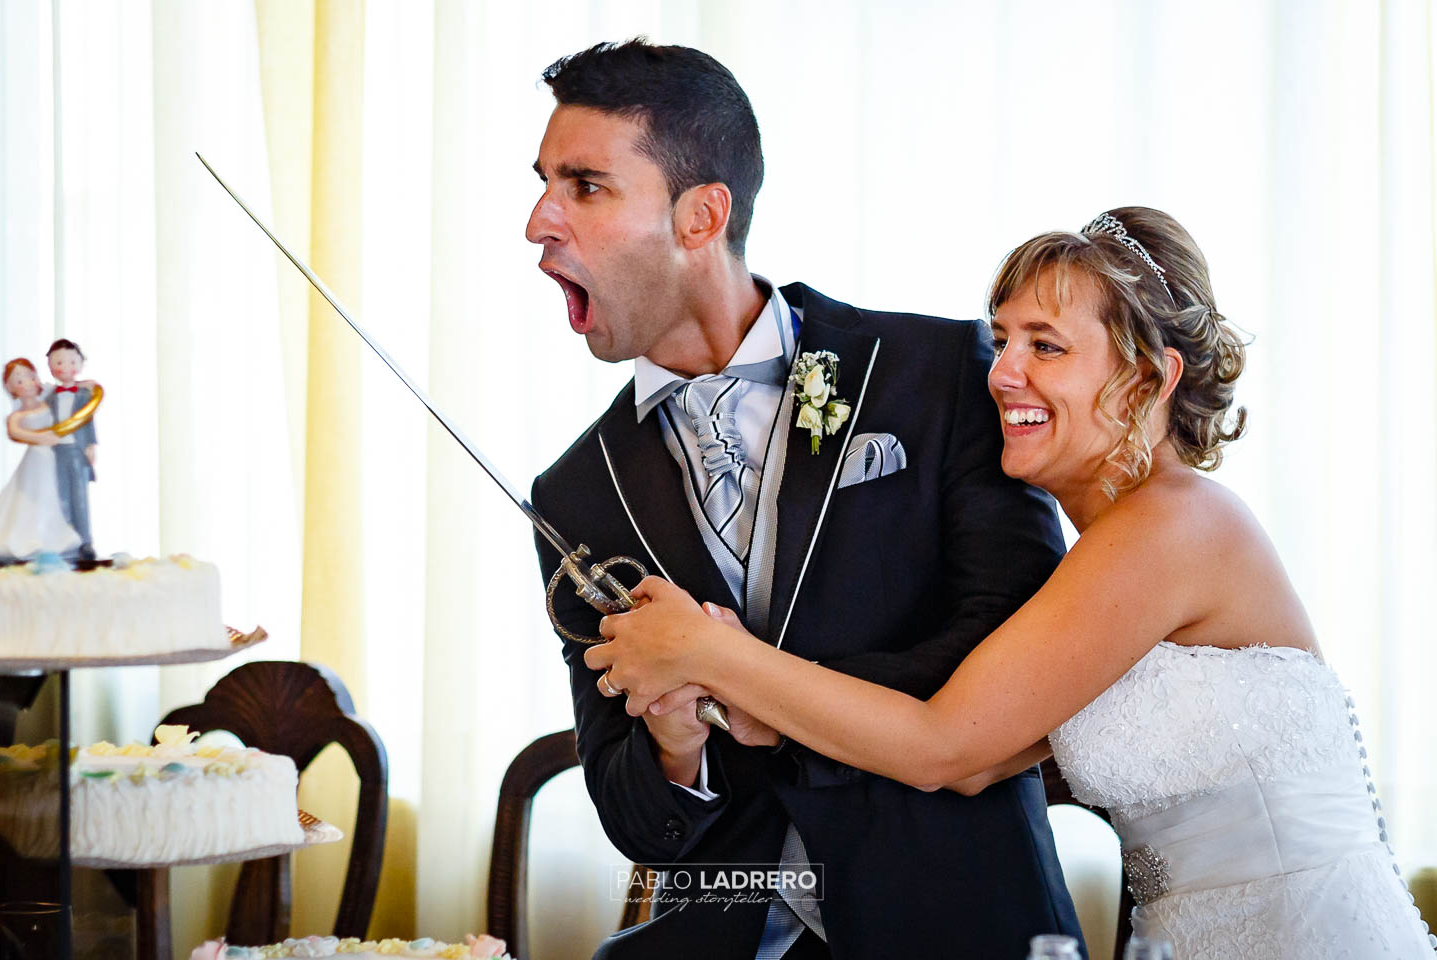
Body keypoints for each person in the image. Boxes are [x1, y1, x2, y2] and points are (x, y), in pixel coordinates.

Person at [589, 207, 1437, 957]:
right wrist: (757, 715)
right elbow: (974, 764)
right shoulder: (1109, 557)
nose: (1001, 373)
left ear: (1150, 377)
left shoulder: (1174, 526)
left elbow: (941, 746)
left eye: (1046, 346)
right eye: (1002, 341)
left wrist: (709, 652)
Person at [527, 39, 1083, 960]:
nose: (541, 220)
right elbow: (634, 817)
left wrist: (757, 689)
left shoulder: (934, 376)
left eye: (585, 186)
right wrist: (672, 743)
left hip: (962, 929)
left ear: (703, 215)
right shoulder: (576, 491)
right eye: (545, 183)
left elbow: (1015, 655)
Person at [0, 358, 82, 562]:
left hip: (54, 457)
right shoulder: (17, 415)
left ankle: (54, 536)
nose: (26, 383)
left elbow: (70, 389)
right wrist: (40, 437)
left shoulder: (49, 402)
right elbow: (16, 433)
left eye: (31, 377)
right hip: (36, 458)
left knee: (53, 495)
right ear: (10, 388)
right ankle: (29, 539)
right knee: (33, 496)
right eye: (19, 381)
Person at [44, 339, 97, 562]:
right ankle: (64, 542)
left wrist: (91, 445)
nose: (65, 367)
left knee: (80, 498)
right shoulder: (49, 397)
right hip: (56, 452)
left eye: (72, 362)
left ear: (80, 364)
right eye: (59, 362)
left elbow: (88, 421)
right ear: (50, 365)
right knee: (60, 497)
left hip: (77, 451)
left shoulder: (84, 395)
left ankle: (85, 542)